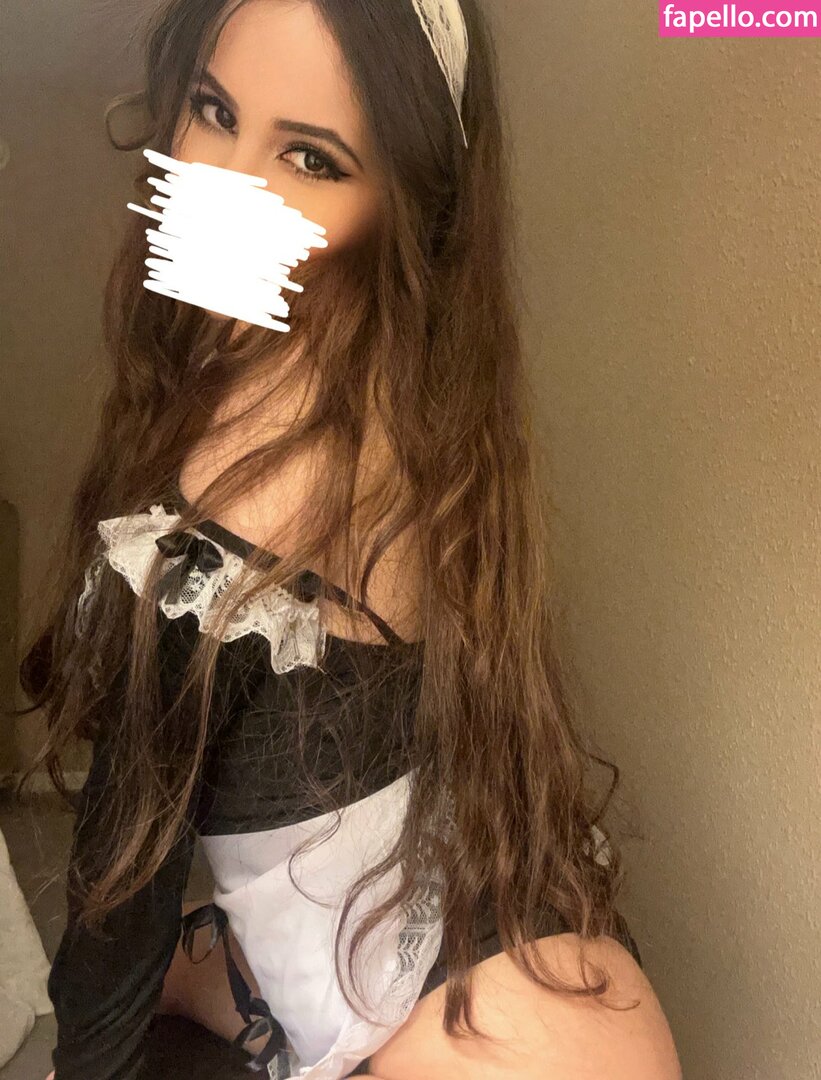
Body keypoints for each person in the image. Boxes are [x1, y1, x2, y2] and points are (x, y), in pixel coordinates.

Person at [15, 1, 682, 1078]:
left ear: (400, 204)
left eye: (310, 158)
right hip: (544, 977)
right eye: (212, 110)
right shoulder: (417, 406)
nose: (226, 184)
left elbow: (118, 900)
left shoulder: (254, 474)